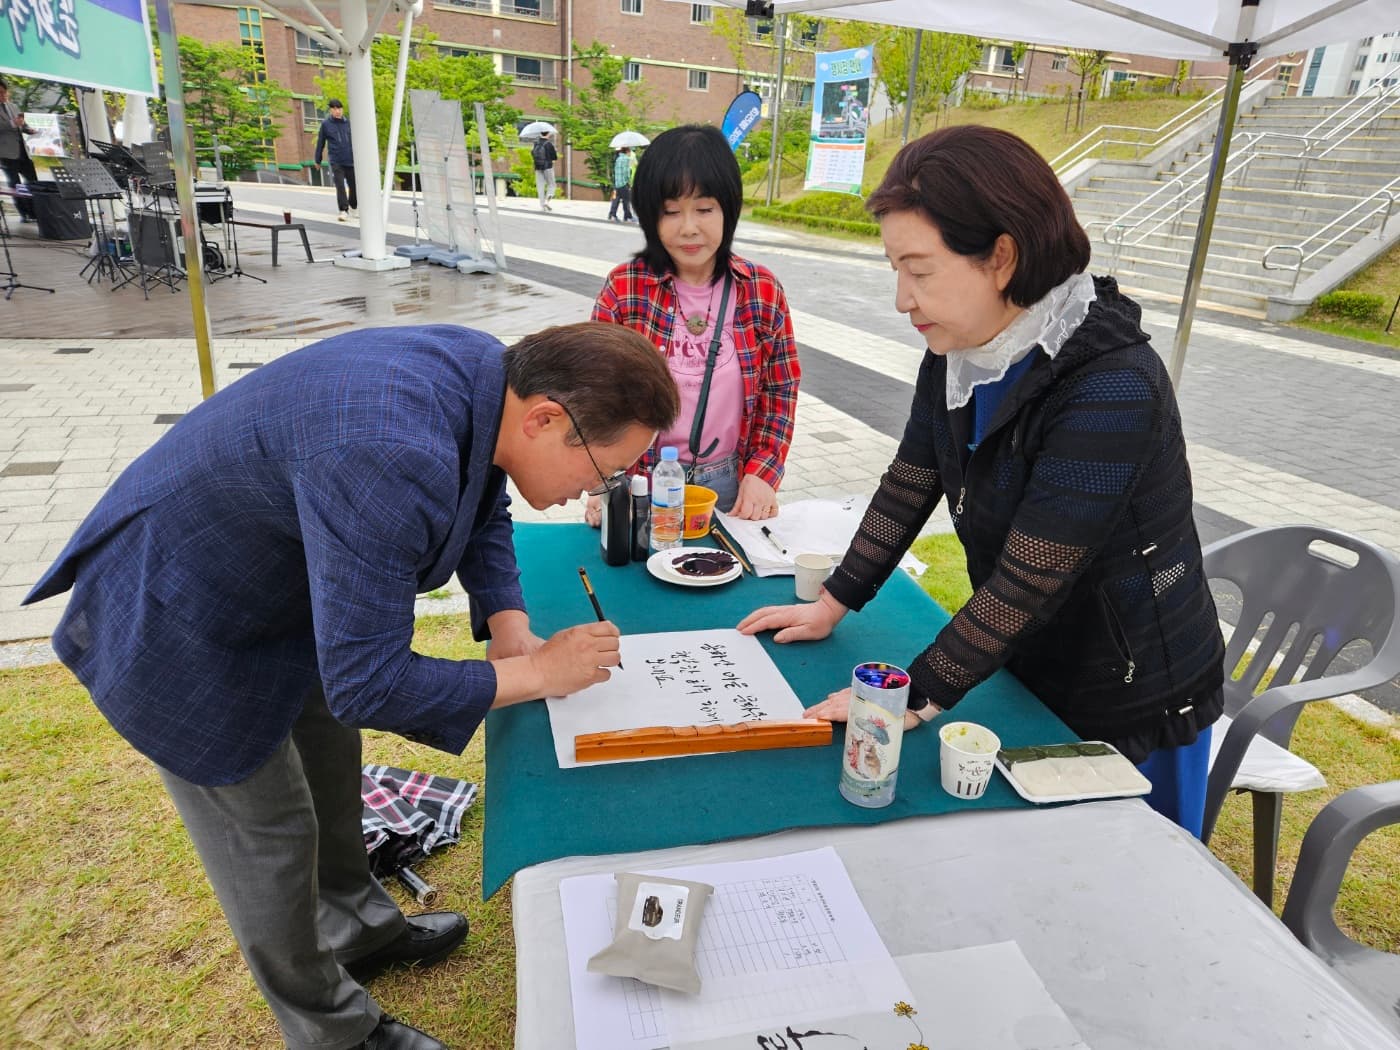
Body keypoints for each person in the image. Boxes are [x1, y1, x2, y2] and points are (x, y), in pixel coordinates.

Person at [23, 322, 680, 1050]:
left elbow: (483, 492)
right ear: (546, 418)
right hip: (177, 616)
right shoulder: (390, 448)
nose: (597, 489)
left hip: (282, 586)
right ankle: (332, 1029)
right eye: (602, 470)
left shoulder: (488, 377)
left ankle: (359, 929)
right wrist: (534, 672)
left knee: (332, 762)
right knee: (270, 831)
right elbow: (370, 681)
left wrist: (509, 619)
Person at [738, 126, 1226, 836]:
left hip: (1131, 687)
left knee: (1118, 885)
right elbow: (911, 479)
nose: (904, 298)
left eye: (921, 270)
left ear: (1002, 255)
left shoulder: (1111, 385)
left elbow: (1030, 578)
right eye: (895, 270)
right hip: (1032, 655)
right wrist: (835, 601)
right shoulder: (961, 349)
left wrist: (912, 698)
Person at [590, 123, 800, 522]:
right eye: (671, 212)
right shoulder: (626, 287)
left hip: (727, 482)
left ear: (728, 210)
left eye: (704, 209)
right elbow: (595, 393)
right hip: (639, 480)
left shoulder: (761, 290)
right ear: (651, 217)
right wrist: (603, 480)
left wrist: (763, 473)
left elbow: (781, 388)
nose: (688, 227)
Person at [0, 79, 38, 222]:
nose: (3, 95)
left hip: (22, 150)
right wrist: (12, 123)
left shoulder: (13, 106)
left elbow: (22, 125)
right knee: (15, 184)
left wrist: (29, 129)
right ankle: (25, 214)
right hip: (6, 153)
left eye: (4, 92)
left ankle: (35, 211)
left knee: (33, 180)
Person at [315, 99, 356, 221]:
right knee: (340, 186)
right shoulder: (326, 125)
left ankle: (353, 206)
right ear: (330, 110)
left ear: (342, 109)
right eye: (334, 109)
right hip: (336, 160)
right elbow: (320, 142)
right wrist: (318, 160)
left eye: (339, 108)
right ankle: (343, 210)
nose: (337, 111)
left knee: (354, 185)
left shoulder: (349, 122)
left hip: (351, 159)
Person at [531, 130, 557, 212]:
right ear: (548, 134)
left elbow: (532, 153)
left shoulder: (536, 143)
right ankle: (547, 201)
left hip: (537, 167)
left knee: (540, 186)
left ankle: (542, 206)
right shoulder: (549, 144)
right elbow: (554, 157)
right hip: (548, 167)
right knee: (551, 184)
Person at [607, 146, 634, 222]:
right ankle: (627, 217)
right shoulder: (626, 159)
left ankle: (612, 215)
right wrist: (629, 182)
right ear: (627, 151)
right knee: (626, 200)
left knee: (616, 199)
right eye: (630, 151)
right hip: (623, 183)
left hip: (617, 183)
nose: (630, 153)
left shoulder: (618, 159)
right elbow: (626, 173)